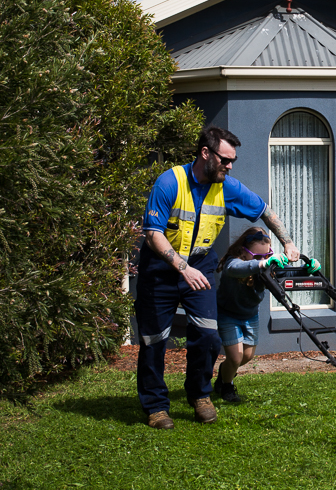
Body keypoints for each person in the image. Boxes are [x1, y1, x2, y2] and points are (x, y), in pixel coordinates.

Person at [136, 125, 300, 430]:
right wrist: (183, 268)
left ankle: (199, 394)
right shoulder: (169, 182)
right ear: (205, 154)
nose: (229, 166)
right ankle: (156, 406)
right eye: (225, 160)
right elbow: (152, 235)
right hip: (160, 270)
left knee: (208, 335)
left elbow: (265, 211)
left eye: (232, 161)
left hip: (201, 264)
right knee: (154, 339)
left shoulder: (227, 187)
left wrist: (287, 241)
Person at [213, 228, 320, 402]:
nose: (262, 260)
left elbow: (284, 274)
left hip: (250, 315)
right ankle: (227, 386)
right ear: (243, 251)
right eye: (257, 257)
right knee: (236, 356)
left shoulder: (266, 265)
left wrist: (306, 270)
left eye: (266, 256)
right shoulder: (233, 263)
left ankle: (224, 373)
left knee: (247, 356)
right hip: (228, 315)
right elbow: (237, 269)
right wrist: (263, 263)